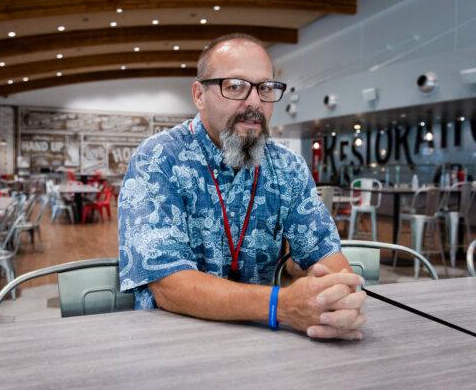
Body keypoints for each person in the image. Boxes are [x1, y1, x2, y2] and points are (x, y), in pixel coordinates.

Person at [118, 33, 366, 340]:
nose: (254, 102)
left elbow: (325, 253)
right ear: (199, 94)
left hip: (262, 340)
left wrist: (338, 295)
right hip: (172, 342)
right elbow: (168, 284)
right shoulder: (158, 159)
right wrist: (281, 305)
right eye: (234, 86)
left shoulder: (287, 167)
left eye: (265, 88)